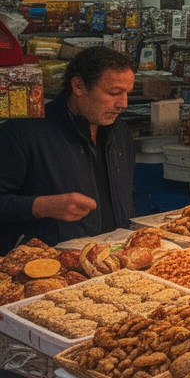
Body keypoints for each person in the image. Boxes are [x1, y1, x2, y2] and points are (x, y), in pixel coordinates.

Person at [0, 46, 136, 249]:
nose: (123, 103)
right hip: (51, 265)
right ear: (79, 86)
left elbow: (128, 195)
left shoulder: (120, 131)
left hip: (114, 256)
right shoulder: (22, 133)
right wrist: (42, 206)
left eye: (127, 93)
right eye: (114, 93)